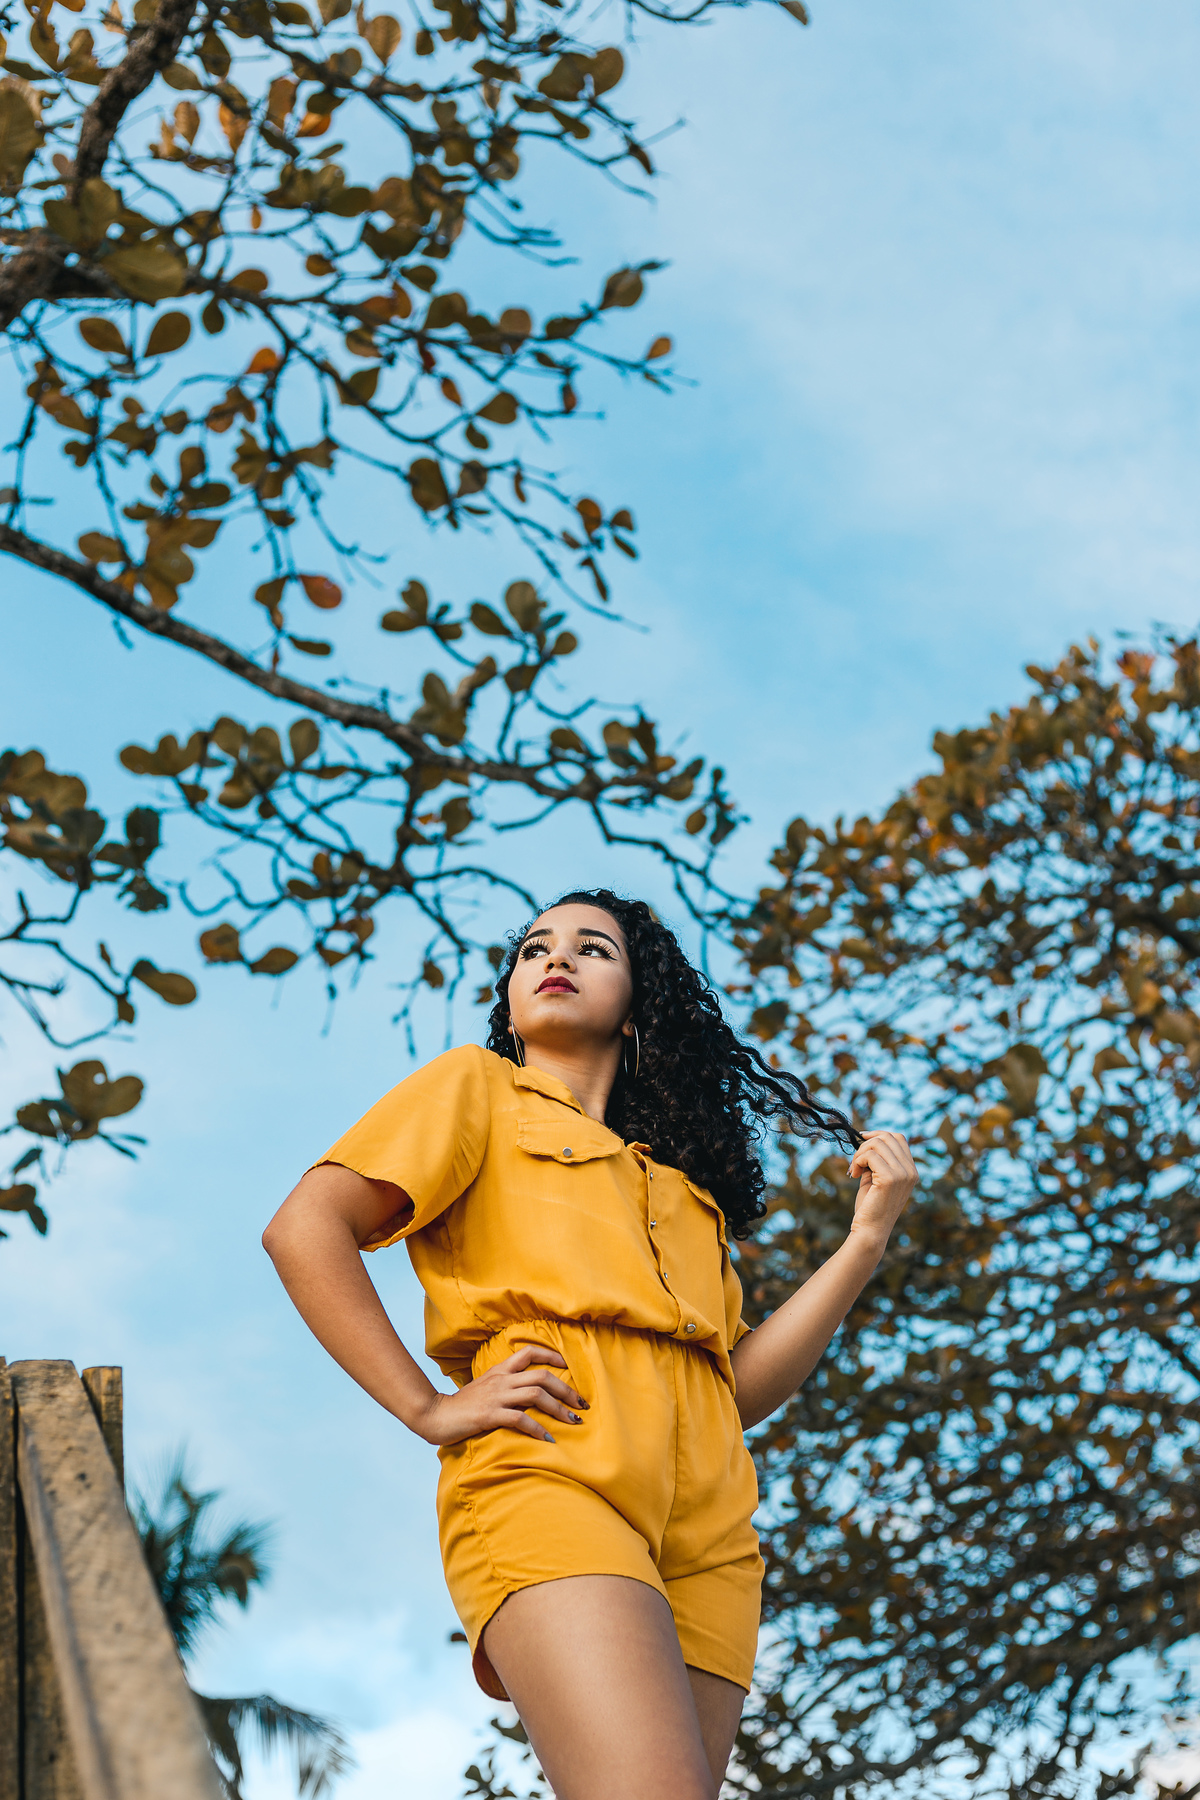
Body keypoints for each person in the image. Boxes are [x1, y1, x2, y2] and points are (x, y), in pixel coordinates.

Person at [263, 888, 917, 1800]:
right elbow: (305, 1228)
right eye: (534, 948)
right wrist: (428, 1407)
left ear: (641, 1000)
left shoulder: (685, 1194)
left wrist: (864, 1244)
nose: (554, 958)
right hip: (554, 1471)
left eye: (591, 948)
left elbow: (734, 1391)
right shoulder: (477, 1090)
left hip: (713, 1533)